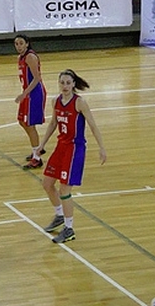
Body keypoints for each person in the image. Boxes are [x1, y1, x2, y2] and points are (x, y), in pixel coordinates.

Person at [38, 69, 106, 243]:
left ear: (74, 84)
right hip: (61, 147)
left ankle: (69, 228)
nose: (65, 86)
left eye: (68, 83)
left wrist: (101, 147)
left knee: (64, 190)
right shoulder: (56, 101)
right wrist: (42, 144)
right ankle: (59, 216)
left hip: (75, 149)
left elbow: (92, 125)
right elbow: (53, 123)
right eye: (62, 83)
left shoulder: (79, 103)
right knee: (47, 183)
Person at [14, 34, 48, 170]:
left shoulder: (30, 57)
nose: (18, 46)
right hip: (28, 93)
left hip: (34, 94)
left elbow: (36, 78)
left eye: (21, 43)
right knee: (22, 121)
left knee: (29, 124)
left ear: (27, 44)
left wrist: (24, 94)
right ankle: (37, 148)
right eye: (16, 44)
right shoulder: (20, 58)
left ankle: (37, 158)